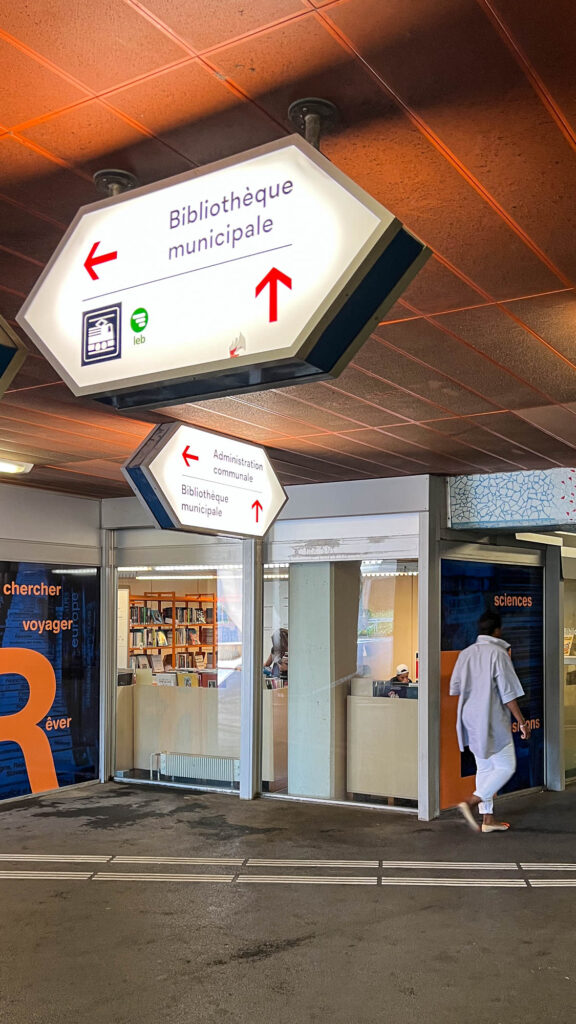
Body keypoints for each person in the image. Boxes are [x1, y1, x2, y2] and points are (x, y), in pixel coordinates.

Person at [449, 609, 531, 833]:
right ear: (498, 630)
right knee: (506, 766)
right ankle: (473, 801)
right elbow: (508, 694)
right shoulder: (498, 654)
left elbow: (455, 687)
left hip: (470, 719)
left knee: (484, 767)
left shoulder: (466, 654)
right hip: (492, 718)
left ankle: (487, 820)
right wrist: (522, 722)